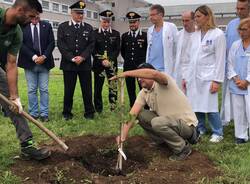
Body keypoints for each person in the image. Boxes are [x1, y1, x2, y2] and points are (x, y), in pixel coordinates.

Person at [110, 63, 198, 161]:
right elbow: (132, 114)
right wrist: (123, 135)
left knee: (157, 122)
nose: (139, 79)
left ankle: (182, 149)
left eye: (141, 76)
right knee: (141, 114)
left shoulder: (164, 82)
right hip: (169, 123)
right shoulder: (143, 93)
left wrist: (126, 73)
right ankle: (162, 141)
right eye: (138, 78)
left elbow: (154, 74)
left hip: (187, 127)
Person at [0, 0, 50, 160]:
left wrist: (15, 98)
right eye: (31, 16)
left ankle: (27, 145)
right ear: (20, 10)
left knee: (14, 106)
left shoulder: (17, 33)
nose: (32, 20)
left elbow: (11, 64)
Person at [186, 5, 226, 142]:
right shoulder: (194, 35)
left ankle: (218, 132)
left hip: (209, 76)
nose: (195, 19)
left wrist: (217, 80)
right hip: (194, 76)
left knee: (210, 105)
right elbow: (190, 58)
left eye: (198, 16)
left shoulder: (218, 34)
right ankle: (201, 128)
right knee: (196, 104)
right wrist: (186, 77)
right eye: (195, 17)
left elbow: (221, 59)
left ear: (207, 16)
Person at [57, 1, 95, 120]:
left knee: (87, 90)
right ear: (71, 13)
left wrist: (82, 57)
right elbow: (61, 44)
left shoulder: (88, 28)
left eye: (82, 13)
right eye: (78, 13)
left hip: (85, 65)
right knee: (68, 91)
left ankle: (89, 113)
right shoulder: (63, 27)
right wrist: (72, 58)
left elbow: (91, 44)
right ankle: (67, 113)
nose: (80, 16)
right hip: (69, 65)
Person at [18, 13, 55, 122]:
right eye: (32, 17)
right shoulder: (22, 27)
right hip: (29, 63)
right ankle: (33, 113)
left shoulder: (47, 26)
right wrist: (34, 57)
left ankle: (44, 114)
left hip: (45, 62)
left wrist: (44, 56)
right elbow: (20, 43)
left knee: (44, 89)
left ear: (39, 15)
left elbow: (51, 43)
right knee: (31, 89)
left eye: (37, 17)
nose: (35, 19)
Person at [221, 0, 250, 125]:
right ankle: (229, 119)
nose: (239, 11)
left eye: (242, 9)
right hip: (232, 67)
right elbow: (227, 46)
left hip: (248, 67)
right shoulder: (231, 24)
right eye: (237, 8)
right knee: (229, 95)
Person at [226, 18, 250, 144]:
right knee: (239, 111)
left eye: (244, 29)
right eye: (240, 29)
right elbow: (229, 63)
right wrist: (236, 79)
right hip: (237, 84)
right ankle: (241, 136)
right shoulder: (235, 45)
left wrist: (247, 81)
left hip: (248, 85)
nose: (241, 32)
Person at [92, 10, 120, 112]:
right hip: (98, 65)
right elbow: (93, 49)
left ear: (110, 22)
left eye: (108, 22)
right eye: (104, 21)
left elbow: (117, 49)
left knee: (113, 86)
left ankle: (113, 107)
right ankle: (98, 109)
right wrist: (102, 60)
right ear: (100, 21)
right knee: (98, 87)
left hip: (111, 65)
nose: (106, 24)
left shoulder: (116, 34)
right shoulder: (94, 33)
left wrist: (109, 60)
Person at [121, 11, 147, 107]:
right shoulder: (124, 36)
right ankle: (133, 107)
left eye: (134, 22)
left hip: (141, 68)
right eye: (130, 22)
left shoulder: (145, 36)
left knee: (143, 89)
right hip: (129, 67)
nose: (132, 24)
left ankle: (145, 107)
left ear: (138, 22)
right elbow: (123, 51)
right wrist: (129, 61)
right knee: (130, 89)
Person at [146, 4, 178, 76]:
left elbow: (177, 48)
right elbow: (150, 50)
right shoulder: (150, 30)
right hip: (151, 69)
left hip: (165, 69)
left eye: (153, 15)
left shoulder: (171, 27)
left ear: (161, 15)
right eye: (150, 15)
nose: (150, 17)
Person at [174, 11, 195, 92]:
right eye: (183, 21)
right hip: (180, 71)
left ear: (193, 20)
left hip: (194, 70)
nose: (184, 23)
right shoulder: (178, 35)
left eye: (187, 20)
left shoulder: (199, 34)